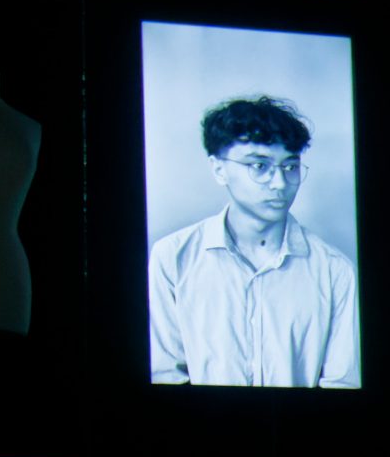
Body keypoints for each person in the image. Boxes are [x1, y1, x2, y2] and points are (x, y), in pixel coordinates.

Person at [148, 95, 358, 387]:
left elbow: (342, 385)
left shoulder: (335, 271)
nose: (280, 183)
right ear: (219, 169)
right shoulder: (173, 257)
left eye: (290, 167)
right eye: (259, 166)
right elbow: (165, 377)